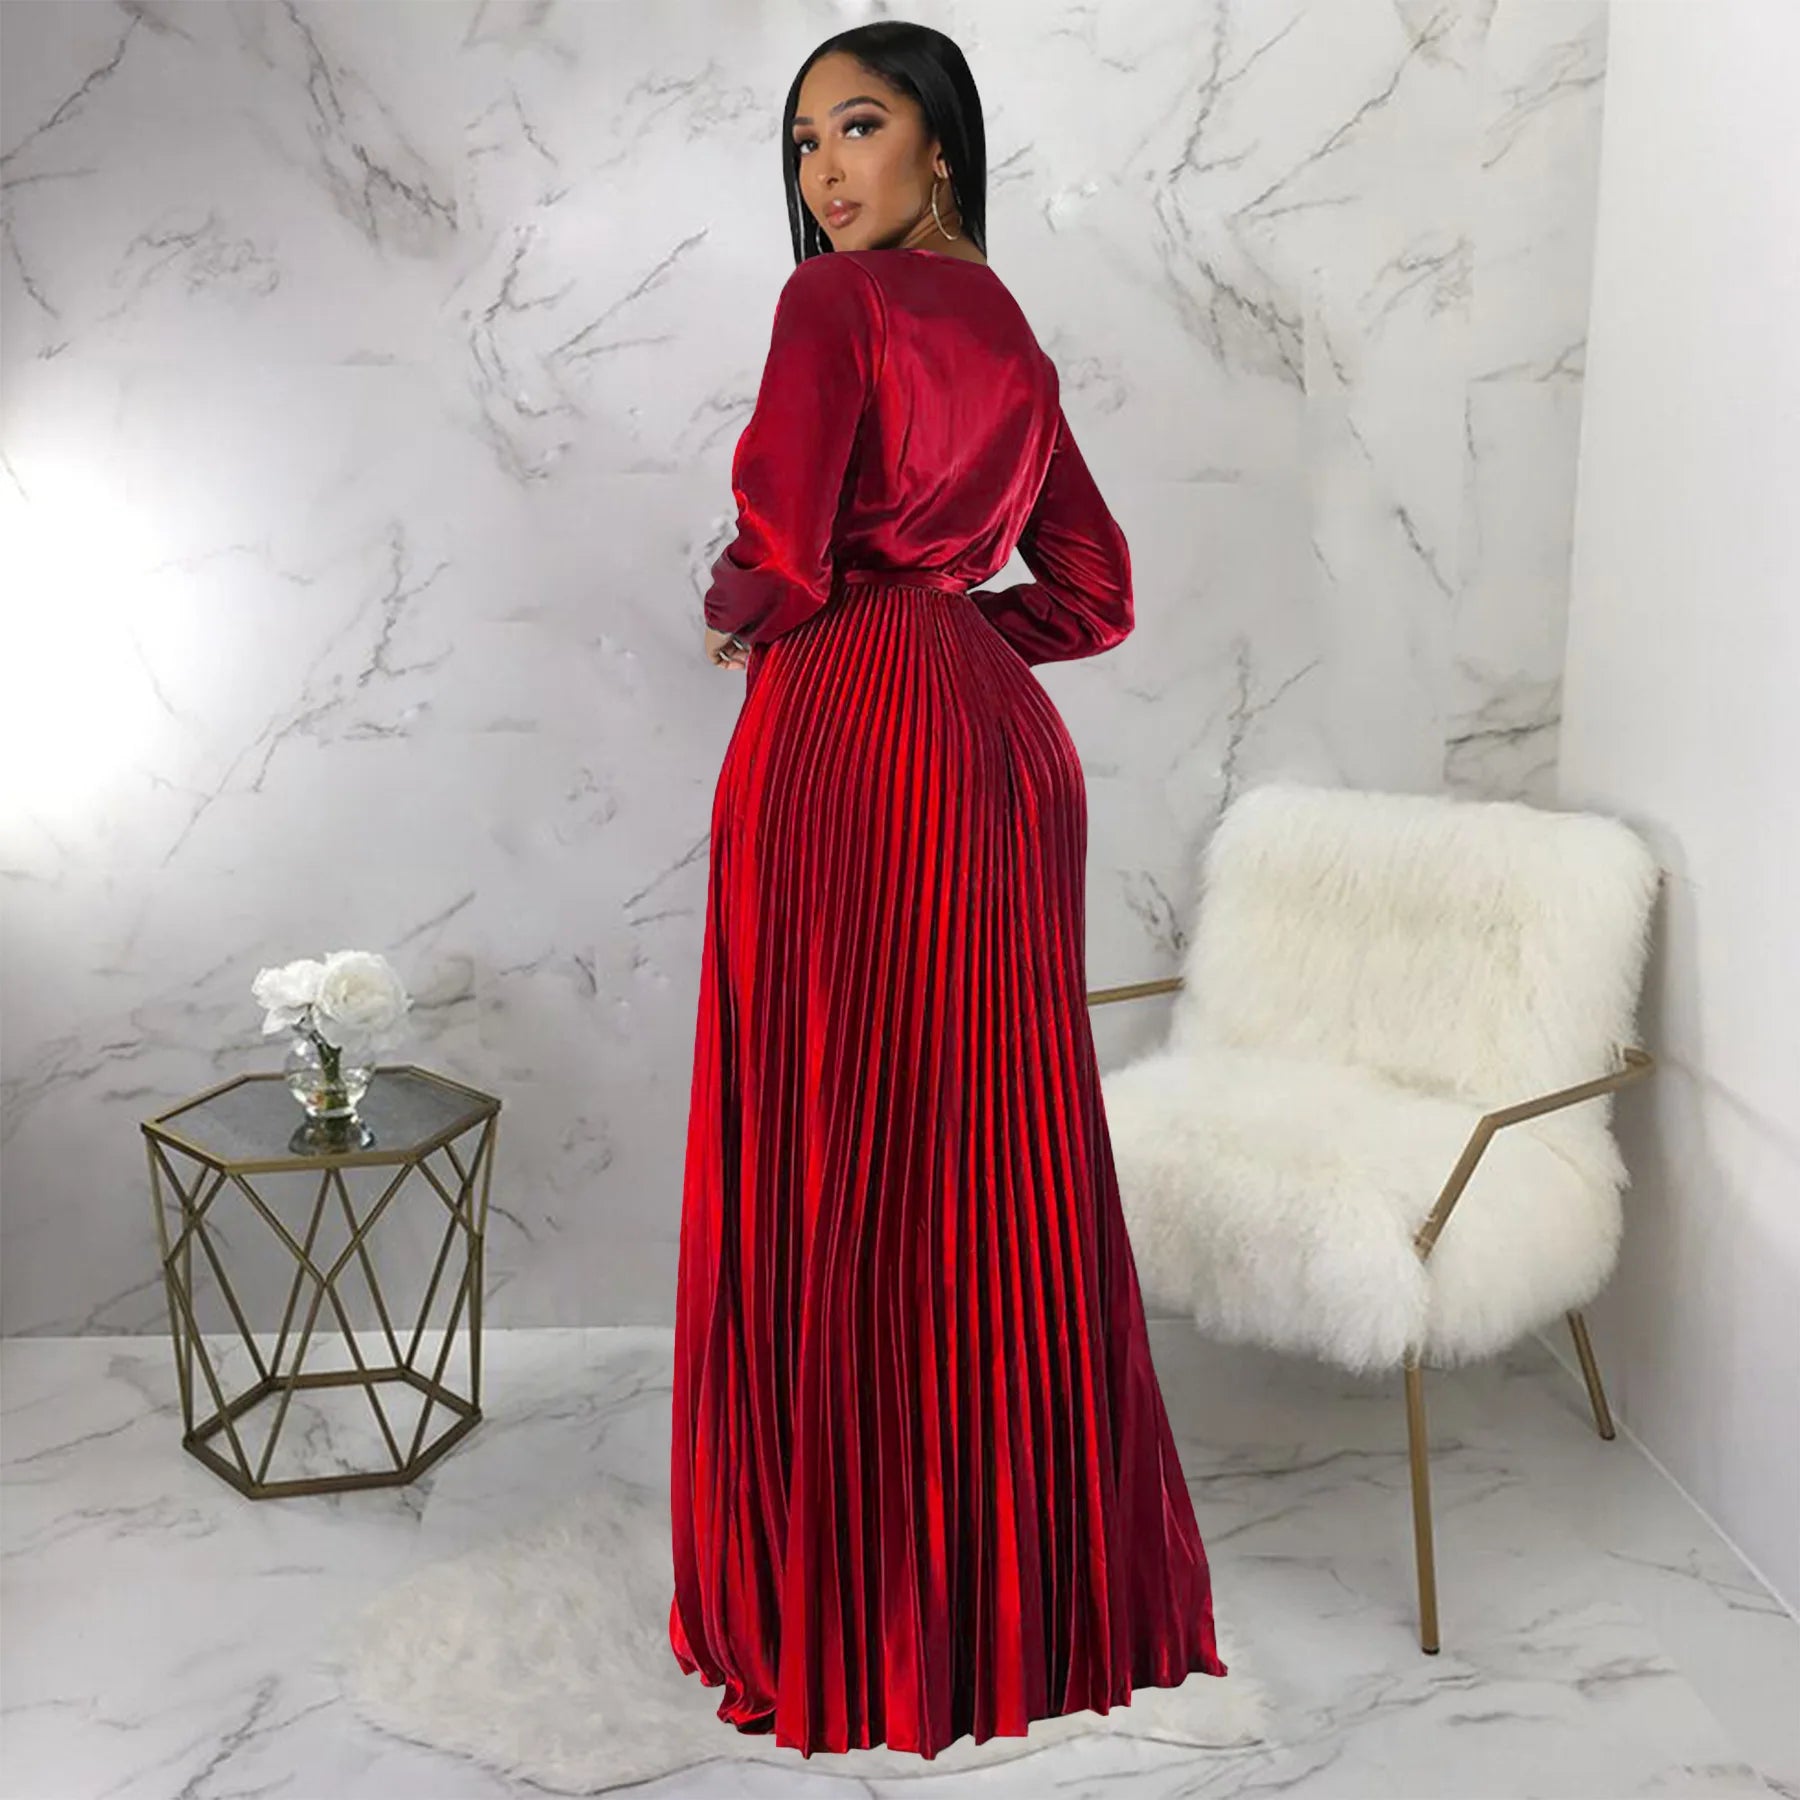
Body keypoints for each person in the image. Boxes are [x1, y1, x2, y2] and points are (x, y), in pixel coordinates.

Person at [669, 20, 1227, 1761]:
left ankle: (853, 1608)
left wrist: (741, 614)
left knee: (841, 1137)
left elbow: (780, 551)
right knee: (986, 1151)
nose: (825, 169)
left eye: (859, 126)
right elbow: (1095, 591)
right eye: (802, 142)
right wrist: (959, 639)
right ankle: (1017, 1597)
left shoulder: (830, 306)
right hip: (996, 756)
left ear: (941, 147)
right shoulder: (1013, 338)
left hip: (845, 743)